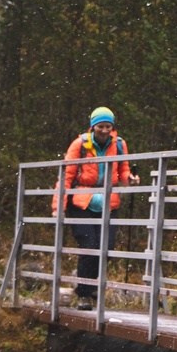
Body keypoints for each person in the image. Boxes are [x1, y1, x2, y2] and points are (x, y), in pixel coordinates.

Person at [50, 108, 133, 310]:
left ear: (112, 127)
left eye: (108, 126)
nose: (104, 131)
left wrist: (129, 179)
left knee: (106, 248)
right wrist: (58, 206)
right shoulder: (80, 145)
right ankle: (84, 294)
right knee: (90, 246)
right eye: (100, 126)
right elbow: (66, 176)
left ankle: (91, 284)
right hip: (81, 203)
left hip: (108, 203)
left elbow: (123, 169)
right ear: (93, 126)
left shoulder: (119, 144)